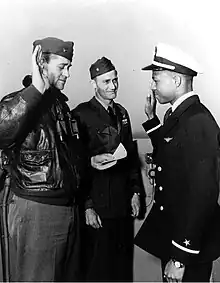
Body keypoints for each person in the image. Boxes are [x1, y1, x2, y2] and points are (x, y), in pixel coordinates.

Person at [0, 37, 85, 282]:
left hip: (67, 209)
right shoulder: (22, 101)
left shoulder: (60, 106)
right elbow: (2, 130)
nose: (68, 73)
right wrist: (36, 89)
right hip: (38, 211)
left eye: (69, 67)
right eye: (62, 67)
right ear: (41, 63)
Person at [134, 43, 220, 282]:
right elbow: (171, 148)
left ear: (177, 81)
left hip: (188, 248)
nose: (152, 86)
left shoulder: (198, 122)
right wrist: (152, 120)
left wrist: (181, 257)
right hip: (175, 238)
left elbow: (202, 194)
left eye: (156, 79)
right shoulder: (179, 115)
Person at [72, 56, 141, 282]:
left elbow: (130, 157)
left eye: (115, 80)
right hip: (97, 208)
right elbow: (75, 164)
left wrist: (135, 192)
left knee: (121, 270)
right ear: (94, 84)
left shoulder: (122, 114)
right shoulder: (80, 115)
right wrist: (87, 206)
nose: (113, 86)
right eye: (106, 82)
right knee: (97, 270)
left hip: (121, 206)